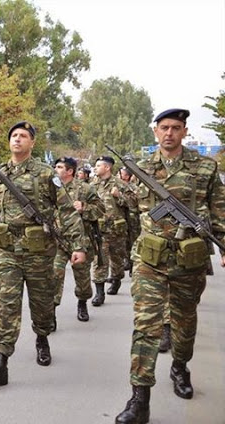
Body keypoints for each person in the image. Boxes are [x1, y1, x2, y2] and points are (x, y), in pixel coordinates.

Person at [115, 108, 225, 424]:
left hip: (189, 260)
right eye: (164, 127)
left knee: (184, 322)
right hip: (149, 260)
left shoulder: (204, 166)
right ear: (155, 132)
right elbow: (129, 207)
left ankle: (179, 366)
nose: (169, 133)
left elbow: (219, 211)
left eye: (176, 128)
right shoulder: (140, 169)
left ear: (185, 132)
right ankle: (140, 398)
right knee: (146, 326)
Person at [0, 121, 87, 391]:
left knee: (42, 303)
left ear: (32, 143)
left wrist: (78, 245)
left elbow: (67, 211)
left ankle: (42, 337)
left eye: (23, 136)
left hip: (39, 253)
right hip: (9, 252)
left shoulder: (46, 174)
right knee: (6, 305)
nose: (17, 139)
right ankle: (0, 362)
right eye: (14, 135)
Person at [52, 156, 104, 326]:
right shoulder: (51, 188)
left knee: (82, 278)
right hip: (57, 240)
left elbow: (101, 210)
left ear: (69, 171)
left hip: (80, 241)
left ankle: (82, 302)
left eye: (60, 167)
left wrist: (85, 207)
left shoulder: (85, 189)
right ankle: (50, 311)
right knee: (54, 275)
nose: (56, 169)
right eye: (56, 166)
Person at [90, 156, 136, 303]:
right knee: (99, 260)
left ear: (107, 167)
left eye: (98, 165)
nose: (95, 168)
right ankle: (99, 293)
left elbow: (134, 203)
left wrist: (119, 196)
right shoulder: (92, 185)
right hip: (99, 229)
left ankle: (116, 280)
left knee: (117, 260)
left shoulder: (120, 184)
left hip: (117, 230)